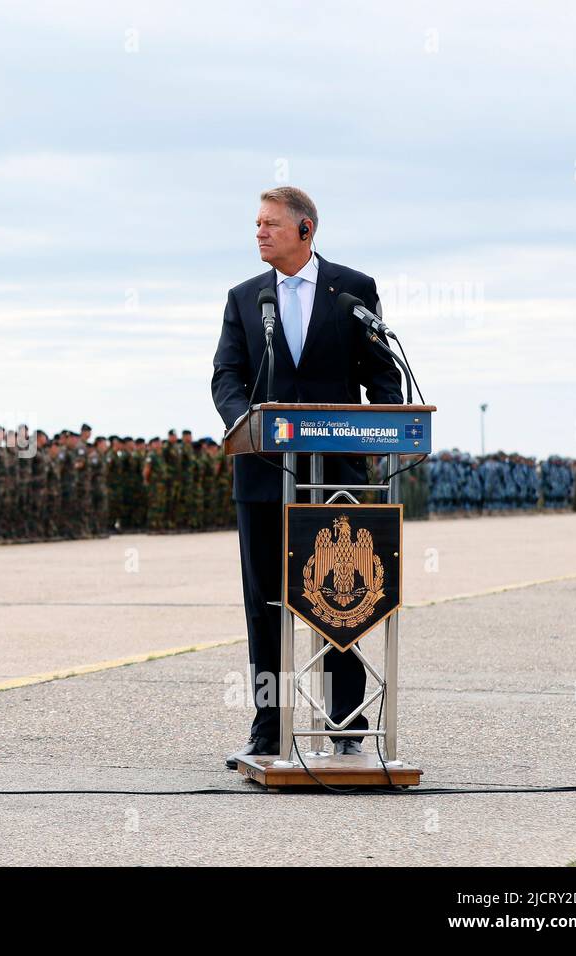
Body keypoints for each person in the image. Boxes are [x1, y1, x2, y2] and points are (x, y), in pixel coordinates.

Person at [211, 186, 402, 770]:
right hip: (265, 474)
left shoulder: (354, 291)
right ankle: (269, 727)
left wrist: (391, 428)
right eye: (257, 224)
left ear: (305, 230)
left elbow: (382, 374)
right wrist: (244, 419)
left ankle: (347, 725)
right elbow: (226, 375)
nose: (260, 233)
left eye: (271, 224)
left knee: (339, 597)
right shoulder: (245, 300)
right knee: (265, 604)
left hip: (338, 477)